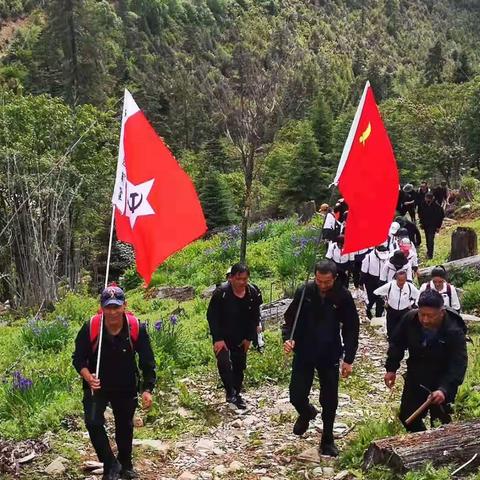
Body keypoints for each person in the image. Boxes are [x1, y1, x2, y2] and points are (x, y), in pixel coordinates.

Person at [72, 286, 156, 480]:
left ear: (124, 306)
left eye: (116, 307)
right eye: (108, 307)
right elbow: (78, 359)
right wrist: (88, 376)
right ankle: (110, 465)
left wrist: (147, 388)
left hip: (125, 384)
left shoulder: (136, 328)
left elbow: (147, 361)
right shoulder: (91, 327)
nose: (112, 312)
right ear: (101, 307)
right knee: (93, 422)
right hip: (97, 385)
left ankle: (125, 465)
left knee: (125, 425)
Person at [282, 260, 359, 457]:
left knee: (329, 399)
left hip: (329, 352)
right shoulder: (305, 291)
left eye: (327, 282)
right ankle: (306, 412)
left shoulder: (342, 296)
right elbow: (290, 319)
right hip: (304, 350)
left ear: (334, 278)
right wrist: (288, 338)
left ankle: (327, 438)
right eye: (319, 281)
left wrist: (348, 358)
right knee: (296, 395)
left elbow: (351, 328)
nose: (323, 285)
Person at [384, 290, 467, 432]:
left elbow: (458, 362)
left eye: (430, 316)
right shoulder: (410, 319)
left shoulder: (453, 329)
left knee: (441, 424)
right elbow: (397, 343)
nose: (425, 320)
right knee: (408, 417)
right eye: (422, 314)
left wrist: (444, 389)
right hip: (417, 375)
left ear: (441, 312)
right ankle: (422, 441)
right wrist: (391, 368)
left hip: (442, 378)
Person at [207, 263, 262, 409]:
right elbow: (212, 316)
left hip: (242, 334)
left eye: (245, 279)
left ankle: (236, 393)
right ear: (231, 278)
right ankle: (229, 392)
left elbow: (255, 317)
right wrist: (217, 338)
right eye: (238, 279)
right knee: (224, 362)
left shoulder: (252, 293)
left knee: (239, 364)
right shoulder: (221, 293)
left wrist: (249, 338)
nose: (242, 282)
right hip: (223, 335)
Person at [374, 270, 420, 339]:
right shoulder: (390, 285)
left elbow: (419, 296)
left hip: (405, 311)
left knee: (404, 330)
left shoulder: (410, 287)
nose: (401, 283)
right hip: (392, 311)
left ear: (406, 279)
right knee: (391, 331)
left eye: (403, 280)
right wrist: (384, 302)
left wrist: (413, 306)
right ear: (396, 279)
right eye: (399, 280)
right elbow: (376, 292)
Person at [360, 244, 390, 319]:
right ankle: (369, 309)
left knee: (381, 300)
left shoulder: (388, 257)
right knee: (372, 298)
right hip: (371, 280)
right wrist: (361, 283)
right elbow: (364, 272)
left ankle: (378, 316)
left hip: (383, 280)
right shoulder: (368, 258)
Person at [418, 192, 444, 259]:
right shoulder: (422, 204)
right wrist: (421, 222)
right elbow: (420, 214)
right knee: (427, 239)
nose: (427, 200)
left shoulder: (437, 206)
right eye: (426, 198)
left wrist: (438, 226)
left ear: (432, 199)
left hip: (433, 225)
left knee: (430, 239)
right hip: (425, 225)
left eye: (428, 199)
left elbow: (440, 217)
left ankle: (430, 254)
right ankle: (428, 251)